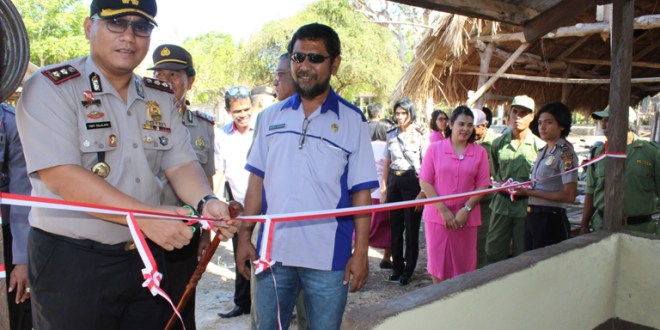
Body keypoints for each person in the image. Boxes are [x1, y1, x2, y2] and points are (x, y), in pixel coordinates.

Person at [15, 1, 238, 328]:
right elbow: (61, 175)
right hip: (73, 261)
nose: (130, 36)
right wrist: (144, 217)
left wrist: (207, 202)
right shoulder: (51, 88)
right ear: (90, 27)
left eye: (141, 27)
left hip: (144, 256)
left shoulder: (158, 97)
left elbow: (181, 163)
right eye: (116, 23)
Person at [236, 23, 378, 330]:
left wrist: (361, 252)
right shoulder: (271, 117)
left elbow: (361, 193)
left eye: (315, 59)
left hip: (328, 261)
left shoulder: (353, 121)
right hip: (272, 255)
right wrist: (245, 236)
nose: (304, 66)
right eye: (298, 58)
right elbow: (256, 182)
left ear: (334, 64)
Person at [148, 43, 215, 329]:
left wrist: (205, 235)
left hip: (186, 231)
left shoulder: (202, 126)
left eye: (174, 75)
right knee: (148, 306)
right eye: (160, 74)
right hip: (145, 229)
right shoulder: (140, 118)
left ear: (190, 80)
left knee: (182, 305)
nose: (166, 80)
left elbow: (207, 179)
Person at [419, 106, 490, 283]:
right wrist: (442, 210)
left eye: (469, 125)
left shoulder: (479, 152)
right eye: (461, 124)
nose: (465, 129)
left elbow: (483, 185)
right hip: (437, 218)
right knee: (438, 265)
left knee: (464, 266)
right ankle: (439, 303)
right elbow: (425, 181)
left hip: (466, 219)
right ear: (450, 124)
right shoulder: (434, 149)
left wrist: (466, 209)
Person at [580, 106, 660, 235]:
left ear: (626, 123)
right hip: (602, 227)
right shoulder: (599, 152)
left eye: (609, 120)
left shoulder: (651, 153)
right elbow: (590, 191)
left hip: (639, 231)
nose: (604, 125)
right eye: (602, 121)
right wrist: (584, 225)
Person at [485, 95, 544, 265]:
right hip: (501, 205)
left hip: (526, 207)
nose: (518, 116)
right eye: (515, 111)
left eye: (524, 113)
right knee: (493, 251)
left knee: (524, 254)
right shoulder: (497, 144)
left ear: (532, 117)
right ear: (509, 114)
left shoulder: (539, 147)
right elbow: (496, 174)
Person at [514, 102, 578, 250]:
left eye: (549, 123)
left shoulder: (565, 154)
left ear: (561, 125)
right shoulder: (544, 150)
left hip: (551, 218)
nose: (542, 127)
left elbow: (569, 195)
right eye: (540, 122)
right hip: (533, 217)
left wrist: (529, 192)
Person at [215, 86, 254, 319]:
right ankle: (243, 304)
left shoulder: (262, 130)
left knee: (268, 257)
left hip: (265, 207)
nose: (243, 114)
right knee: (241, 254)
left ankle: (273, 305)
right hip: (237, 208)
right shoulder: (222, 136)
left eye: (246, 109)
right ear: (229, 111)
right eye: (237, 110)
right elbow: (219, 171)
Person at [382, 97, 424, 286]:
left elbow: (426, 165)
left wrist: (423, 191)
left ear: (410, 114)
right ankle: (397, 266)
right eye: (397, 113)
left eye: (403, 113)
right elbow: (387, 162)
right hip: (394, 182)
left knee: (411, 228)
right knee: (396, 227)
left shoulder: (421, 135)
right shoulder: (390, 134)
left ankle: (409, 269)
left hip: (412, 182)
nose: (399, 117)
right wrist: (384, 188)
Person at [0, 102, 33, 330]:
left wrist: (22, 260)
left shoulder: (10, 122)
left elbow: (23, 193)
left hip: (7, 236)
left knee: (12, 310)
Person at [370, 118, 395, 269]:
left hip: (368, 193)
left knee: (365, 227)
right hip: (383, 193)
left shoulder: (367, 146)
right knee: (388, 226)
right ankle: (387, 257)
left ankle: (349, 253)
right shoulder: (388, 147)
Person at [473, 108, 496, 268]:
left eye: (473, 126)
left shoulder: (495, 143)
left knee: (483, 240)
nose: (469, 130)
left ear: (484, 125)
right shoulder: (467, 142)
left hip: (487, 201)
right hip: (468, 199)